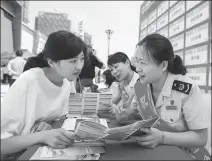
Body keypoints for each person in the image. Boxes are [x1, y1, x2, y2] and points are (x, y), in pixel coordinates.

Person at [1, 30, 87, 159]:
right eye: (73, 61)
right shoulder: (28, 80)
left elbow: (63, 118)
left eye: (82, 59)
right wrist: (42, 136)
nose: (79, 66)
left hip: (42, 151)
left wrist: (49, 123)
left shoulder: (67, 84)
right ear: (51, 62)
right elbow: (3, 145)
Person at [129, 34, 209, 159]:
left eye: (142, 63)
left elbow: (201, 138)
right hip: (155, 153)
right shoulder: (141, 87)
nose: (137, 69)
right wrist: (125, 114)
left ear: (163, 65)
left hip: (186, 155)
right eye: (136, 61)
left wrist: (162, 137)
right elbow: (134, 114)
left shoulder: (186, 89)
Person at [106, 52, 140, 123]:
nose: (114, 72)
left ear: (127, 62)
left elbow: (136, 111)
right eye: (111, 70)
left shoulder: (140, 82)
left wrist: (117, 110)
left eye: (116, 67)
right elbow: (113, 101)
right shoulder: (122, 84)